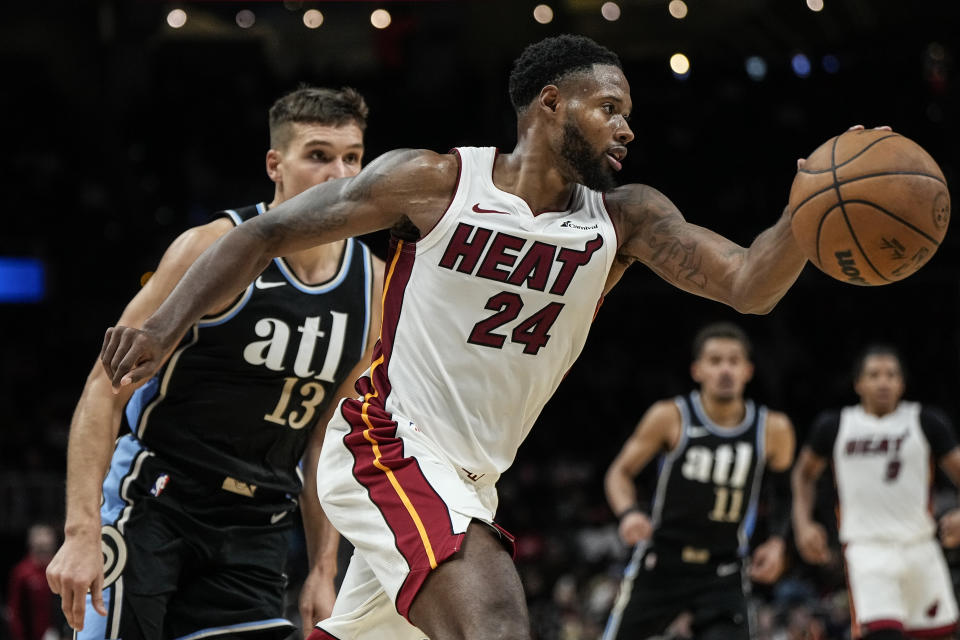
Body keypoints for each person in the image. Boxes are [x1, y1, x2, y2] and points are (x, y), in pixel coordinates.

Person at [97, 34, 876, 639]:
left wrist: (807, 214)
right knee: (496, 617)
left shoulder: (625, 218)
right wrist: (164, 325)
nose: (627, 128)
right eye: (610, 107)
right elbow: (264, 232)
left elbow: (750, 284)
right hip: (384, 439)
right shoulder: (437, 183)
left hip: (472, 473)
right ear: (549, 104)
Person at [45, 85, 385, 640]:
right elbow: (105, 389)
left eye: (352, 158)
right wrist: (82, 531)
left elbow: (326, 436)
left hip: (258, 525)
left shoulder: (371, 284)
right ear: (276, 164)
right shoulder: (210, 248)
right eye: (319, 156)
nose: (339, 174)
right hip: (157, 500)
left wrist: (324, 570)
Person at [601, 322, 795, 640]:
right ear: (697, 370)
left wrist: (776, 542)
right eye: (715, 361)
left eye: (733, 361)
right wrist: (629, 513)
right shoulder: (670, 416)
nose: (725, 370)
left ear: (748, 370)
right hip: (662, 561)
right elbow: (619, 473)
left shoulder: (774, 428)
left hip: (724, 568)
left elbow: (784, 493)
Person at [792, 345, 960, 640]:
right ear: (858, 383)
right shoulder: (834, 425)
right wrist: (803, 524)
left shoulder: (926, 421)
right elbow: (803, 474)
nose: (883, 382)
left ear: (902, 384)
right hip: (866, 550)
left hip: (921, 546)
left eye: (891, 375)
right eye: (874, 375)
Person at [7, 524, 58, 640]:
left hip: (57, 633)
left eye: (48, 548)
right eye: (41, 548)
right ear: (32, 546)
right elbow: (14, 611)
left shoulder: (59, 571)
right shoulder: (22, 572)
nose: (45, 552)